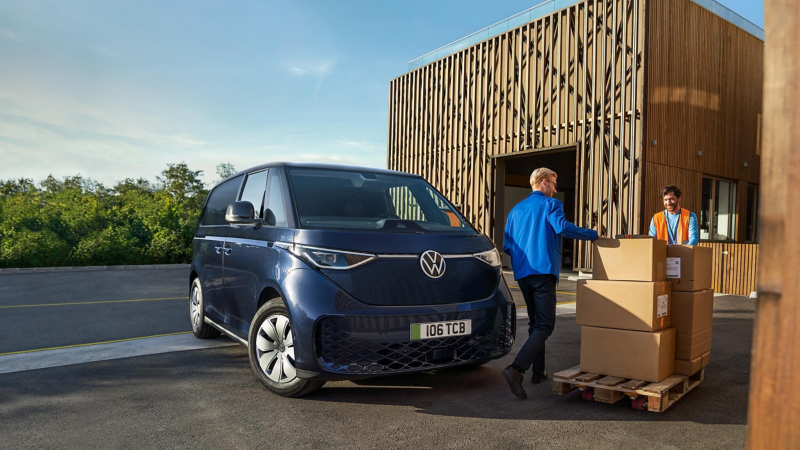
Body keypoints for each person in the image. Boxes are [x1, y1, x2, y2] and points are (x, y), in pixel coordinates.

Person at [501, 167, 604, 400]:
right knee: (545, 326)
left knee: (536, 324)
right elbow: (563, 227)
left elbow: (508, 245)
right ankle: (516, 369)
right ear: (544, 183)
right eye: (554, 184)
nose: (556, 190)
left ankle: (539, 373)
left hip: (523, 274)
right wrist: (593, 235)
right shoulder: (551, 205)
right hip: (543, 272)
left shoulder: (515, 211)